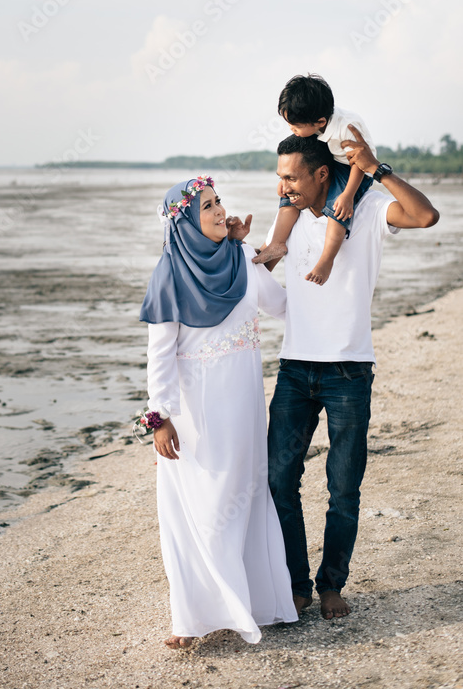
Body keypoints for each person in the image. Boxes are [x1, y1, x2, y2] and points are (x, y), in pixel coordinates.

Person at [248, 128, 439, 620]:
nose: (282, 187)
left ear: (321, 173)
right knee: (278, 479)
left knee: (344, 486)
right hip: (294, 368)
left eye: (290, 178)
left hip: (350, 371)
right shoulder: (287, 222)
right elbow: (265, 280)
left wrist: (378, 168)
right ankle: (295, 584)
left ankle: (331, 584)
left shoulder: (368, 210)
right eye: (279, 177)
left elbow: (425, 215)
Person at [140, 175, 298, 649]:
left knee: (245, 497)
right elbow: (160, 353)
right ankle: (192, 618)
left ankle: (251, 604)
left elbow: (282, 306)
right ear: (184, 219)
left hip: (244, 404)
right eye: (206, 206)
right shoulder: (168, 274)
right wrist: (158, 416)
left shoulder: (242, 260)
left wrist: (278, 252)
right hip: (195, 411)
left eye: (217, 202)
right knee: (201, 505)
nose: (217, 211)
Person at [254, 74, 377, 285]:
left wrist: (347, 195)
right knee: (288, 196)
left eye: (295, 127)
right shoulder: (315, 120)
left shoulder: (346, 128)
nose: (292, 131)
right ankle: (277, 243)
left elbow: (359, 163)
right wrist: (286, 180)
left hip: (355, 168)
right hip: (334, 160)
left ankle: (326, 260)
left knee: (337, 209)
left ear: (319, 122)